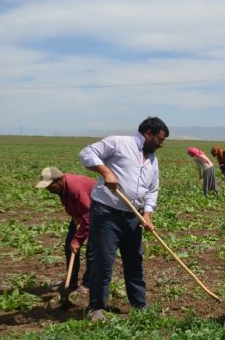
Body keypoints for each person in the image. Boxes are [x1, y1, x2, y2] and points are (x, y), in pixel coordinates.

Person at [79, 116, 169, 321]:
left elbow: (152, 190)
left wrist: (147, 214)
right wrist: (105, 172)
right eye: (159, 139)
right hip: (107, 213)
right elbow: (86, 153)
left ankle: (139, 306)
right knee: (104, 260)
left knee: (134, 261)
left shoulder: (153, 161)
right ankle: (96, 308)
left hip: (133, 217)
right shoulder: (119, 143)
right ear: (148, 134)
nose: (161, 144)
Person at [35, 167, 97, 303]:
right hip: (83, 213)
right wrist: (74, 216)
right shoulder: (61, 188)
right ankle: (72, 282)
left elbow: (88, 215)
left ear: (59, 180)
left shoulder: (74, 188)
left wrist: (78, 239)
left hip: (98, 214)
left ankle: (89, 284)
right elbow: (68, 204)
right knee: (71, 247)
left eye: (49, 186)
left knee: (92, 251)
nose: (48, 189)